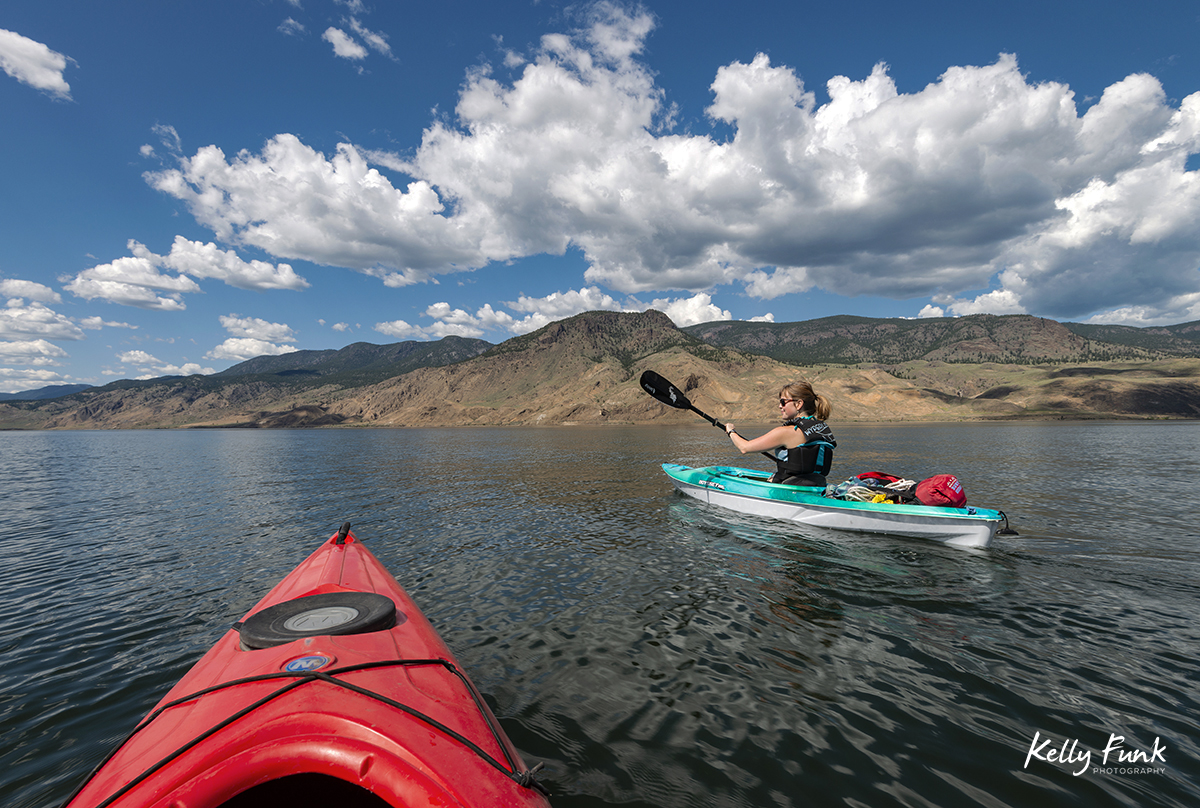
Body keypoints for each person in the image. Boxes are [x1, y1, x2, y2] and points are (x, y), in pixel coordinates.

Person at [724, 381, 836, 487]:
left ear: (798, 404)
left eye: (783, 402)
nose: (779, 406)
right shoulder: (822, 428)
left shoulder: (787, 432)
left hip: (791, 490)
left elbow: (744, 447)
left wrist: (731, 431)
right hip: (817, 485)